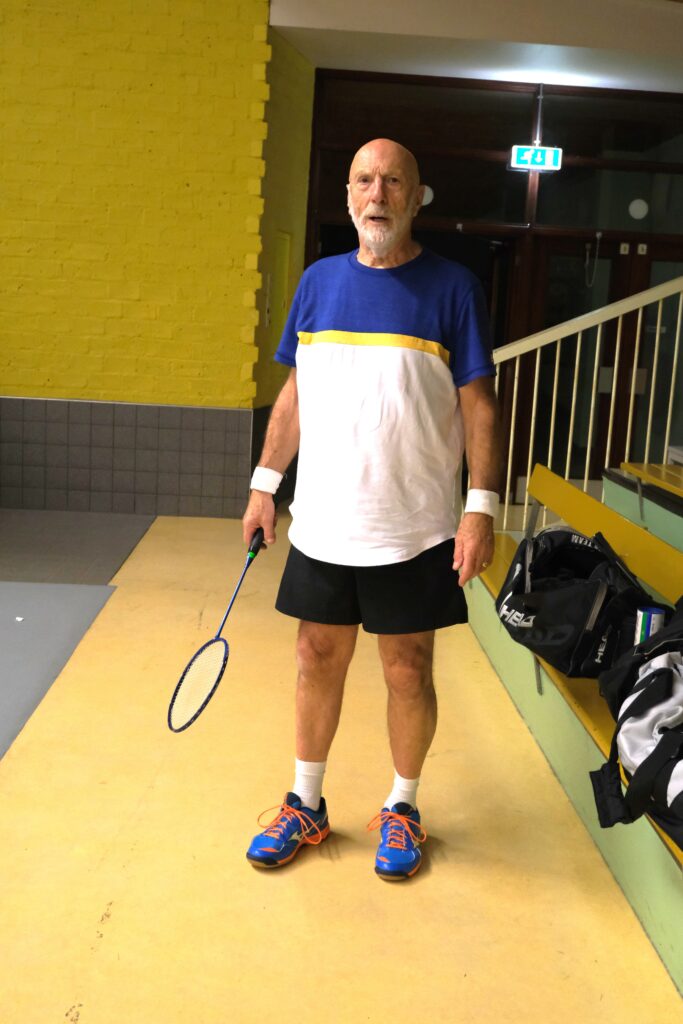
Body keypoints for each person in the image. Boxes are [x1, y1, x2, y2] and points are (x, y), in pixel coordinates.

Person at [242, 138, 501, 881]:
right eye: (364, 181)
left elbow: (479, 405)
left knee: (407, 669)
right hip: (324, 519)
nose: (377, 194)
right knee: (314, 657)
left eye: (392, 181)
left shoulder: (453, 288)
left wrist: (479, 507)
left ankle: (403, 807)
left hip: (414, 525)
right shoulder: (318, 282)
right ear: (349, 196)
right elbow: (295, 393)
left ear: (417, 197)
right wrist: (264, 484)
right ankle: (305, 802)